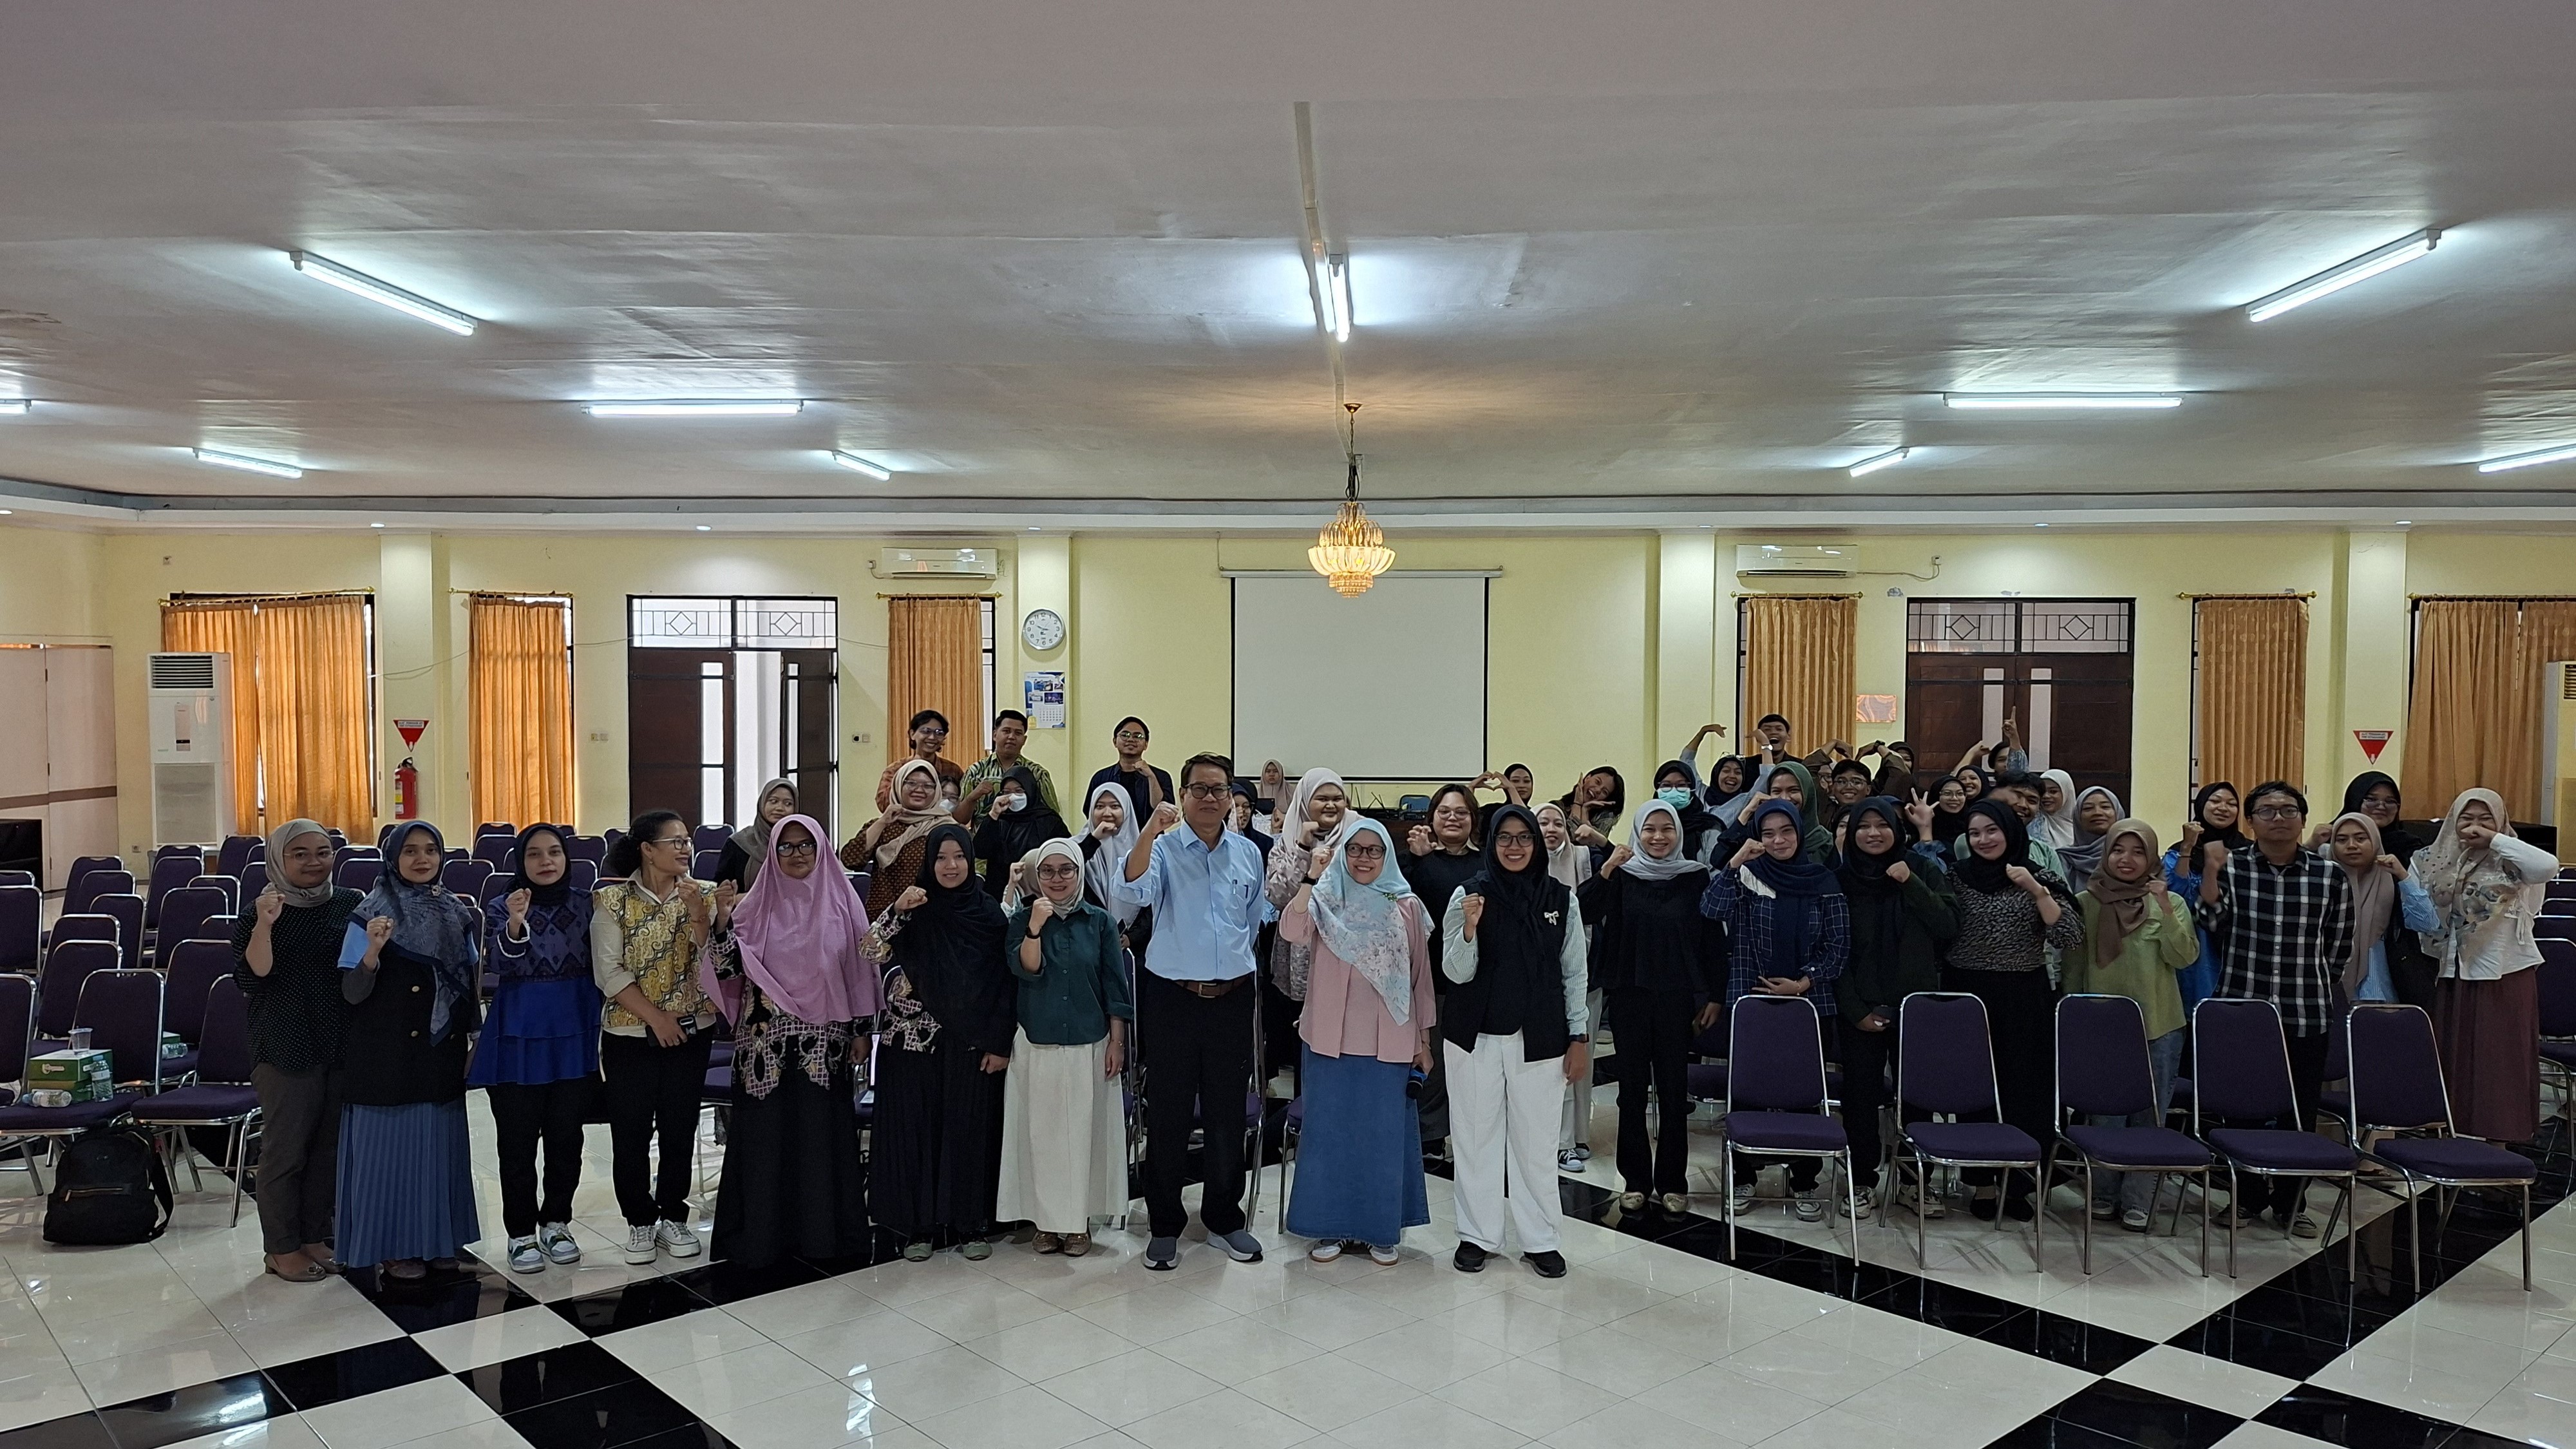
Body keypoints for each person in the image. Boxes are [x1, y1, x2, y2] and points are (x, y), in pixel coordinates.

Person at [701, 815, 880, 1268]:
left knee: (820, 1138)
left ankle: (823, 1238)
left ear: (821, 850)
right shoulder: (753, 906)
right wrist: (721, 923)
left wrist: (862, 1030)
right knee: (766, 1140)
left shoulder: (844, 903)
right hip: (764, 1047)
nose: (797, 854)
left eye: (806, 846)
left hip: (825, 1045)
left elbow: (861, 972)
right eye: (786, 847)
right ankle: (762, 1240)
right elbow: (726, 970)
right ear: (773, 853)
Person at [1114, 752, 1269, 1271]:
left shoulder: (1248, 853)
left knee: (1227, 1113)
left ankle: (1224, 1218)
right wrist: (1148, 831)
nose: (1208, 798)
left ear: (1231, 798)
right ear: (1182, 796)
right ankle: (1164, 1225)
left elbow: (1252, 921)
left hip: (1232, 999)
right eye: (1198, 789)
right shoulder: (1162, 848)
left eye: (1218, 789)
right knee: (1170, 1114)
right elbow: (1130, 892)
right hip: (1173, 999)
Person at [2192, 782, 2353, 1235]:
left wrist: (2312, 981)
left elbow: (2339, 946)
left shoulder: (2330, 876)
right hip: (2243, 1009)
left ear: (2303, 818)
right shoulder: (2233, 866)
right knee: (2240, 1110)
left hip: (2306, 1010)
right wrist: (2211, 870)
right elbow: (2210, 921)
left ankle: (2290, 1203)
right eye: (2266, 811)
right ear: (2251, 821)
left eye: (2288, 810)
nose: (2278, 818)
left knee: (2298, 1113)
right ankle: (2246, 1198)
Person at [1441, 804, 1589, 1276]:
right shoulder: (1468, 894)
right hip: (1474, 1038)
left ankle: (1540, 1239)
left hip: (1541, 1037)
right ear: (1491, 843)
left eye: (1524, 837)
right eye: (1504, 837)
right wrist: (1470, 928)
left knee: (1536, 1143)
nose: (1514, 847)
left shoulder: (1561, 899)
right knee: (1474, 1138)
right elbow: (1454, 972)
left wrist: (1579, 1035)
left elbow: (1575, 974)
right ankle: (1477, 1236)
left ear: (1537, 843)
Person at [1281, 819, 1437, 1263]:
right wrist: (1312, 877)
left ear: (1387, 855)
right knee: (1329, 1137)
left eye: (1374, 850)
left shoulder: (1405, 905)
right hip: (1329, 1041)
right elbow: (1292, 930)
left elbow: (1420, 978)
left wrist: (1423, 1042)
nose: (1364, 858)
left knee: (1382, 1139)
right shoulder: (1326, 899)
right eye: (1355, 849)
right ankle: (1328, 1227)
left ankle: (1379, 1230)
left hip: (1391, 1041)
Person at [337, 822, 482, 1282]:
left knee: (437, 1149)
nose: (422, 859)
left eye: (431, 850)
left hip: (441, 1050)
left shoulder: (456, 912)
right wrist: (373, 952)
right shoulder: (370, 912)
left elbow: (469, 983)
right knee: (391, 1155)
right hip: (387, 1054)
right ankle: (394, 1248)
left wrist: (474, 1038)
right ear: (393, 858)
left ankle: (438, 1241)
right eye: (411, 851)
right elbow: (352, 992)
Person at [868, 824, 1014, 1259]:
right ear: (928, 863)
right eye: (941, 858)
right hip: (913, 1042)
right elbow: (869, 951)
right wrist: (896, 909)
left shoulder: (989, 914)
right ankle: (919, 1228)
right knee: (918, 1133)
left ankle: (970, 1224)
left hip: (971, 1041)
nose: (951, 866)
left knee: (968, 1132)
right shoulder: (915, 907)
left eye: (959, 857)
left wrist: (1000, 1043)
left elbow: (1005, 984)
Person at [1700, 800, 1849, 1220]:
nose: (1778, 841)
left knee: (1804, 1096)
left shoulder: (1824, 880)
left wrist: (1802, 983)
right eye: (1768, 833)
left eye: (1786, 831)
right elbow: (1710, 909)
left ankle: (1804, 1181)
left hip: (1808, 1004)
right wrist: (1734, 863)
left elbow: (1838, 946)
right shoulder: (1748, 875)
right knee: (1748, 1093)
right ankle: (1745, 1175)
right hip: (1753, 1003)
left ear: (1800, 833)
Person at [1580, 802, 1725, 1213]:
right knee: (1630, 1091)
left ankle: (1673, 1181)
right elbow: (1584, 911)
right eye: (1650, 829)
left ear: (1678, 833)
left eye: (1667, 829)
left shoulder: (1695, 877)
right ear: (1638, 833)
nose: (1659, 837)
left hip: (1679, 998)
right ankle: (1636, 1180)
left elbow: (1712, 940)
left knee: (1675, 1092)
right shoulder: (1622, 874)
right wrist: (1608, 868)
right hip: (1630, 995)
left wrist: (1715, 995)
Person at [594, 811, 721, 1266]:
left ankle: (673, 1215)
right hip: (629, 1032)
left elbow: (718, 961)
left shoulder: (705, 894)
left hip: (693, 1029)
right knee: (631, 1130)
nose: (685, 849)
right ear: (648, 850)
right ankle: (640, 1221)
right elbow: (608, 972)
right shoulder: (612, 900)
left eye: (687, 841)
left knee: (679, 1126)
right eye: (675, 841)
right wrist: (656, 1019)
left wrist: (701, 916)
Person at [234, 819, 358, 1282]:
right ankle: (281, 1248)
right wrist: (265, 925)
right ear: (278, 859)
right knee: (286, 1152)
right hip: (284, 1044)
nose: (313, 862)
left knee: (327, 1149)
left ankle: (314, 1237)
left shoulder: (349, 903)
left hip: (338, 1041)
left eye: (323, 852)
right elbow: (253, 977)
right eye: (300, 854)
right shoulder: (261, 910)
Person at [1944, 799, 2081, 1221]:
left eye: (1992, 830)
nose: (1983, 840)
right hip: (1967, 995)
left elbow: (2069, 936)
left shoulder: (2039, 876)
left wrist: (2036, 891)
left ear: (2011, 832)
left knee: (2026, 1091)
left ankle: (2021, 1183)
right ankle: (1983, 1182)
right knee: (1975, 1090)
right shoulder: (1955, 877)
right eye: (1975, 833)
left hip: (2025, 995)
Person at [472, 824, 600, 1274]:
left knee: (567, 1138)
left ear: (567, 858)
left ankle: (557, 1222)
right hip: (518, 1035)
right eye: (535, 854)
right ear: (520, 862)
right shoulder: (502, 904)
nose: (546, 861)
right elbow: (499, 964)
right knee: (517, 1142)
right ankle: (521, 1232)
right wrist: (515, 922)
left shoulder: (588, 904)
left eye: (554, 853)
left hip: (574, 1030)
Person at [996, 838, 1133, 1255]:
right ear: (1037, 876)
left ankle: (1078, 1225)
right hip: (1038, 1044)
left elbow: (1115, 986)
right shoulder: (1022, 919)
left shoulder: (1099, 922)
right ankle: (1046, 1223)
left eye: (1066, 870)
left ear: (1078, 873)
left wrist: (1117, 1041)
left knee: (1084, 1138)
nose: (1057, 879)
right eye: (1048, 871)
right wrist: (1035, 927)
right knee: (1041, 1138)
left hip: (1090, 1044)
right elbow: (1027, 969)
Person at [2067, 819, 2196, 1231]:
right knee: (2105, 1116)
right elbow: (2073, 969)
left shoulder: (2170, 902)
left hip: (2159, 1025)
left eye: (2138, 851)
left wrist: (2164, 907)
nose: (2127, 859)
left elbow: (2184, 958)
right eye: (2118, 850)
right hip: (2103, 1028)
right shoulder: (2085, 902)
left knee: (2149, 1117)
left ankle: (2139, 1200)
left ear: (2152, 857)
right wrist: (2074, 1023)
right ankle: (2104, 1193)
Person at [1833, 796, 1958, 1221]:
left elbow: (1948, 926)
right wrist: (1855, 1011)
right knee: (1860, 1099)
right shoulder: (1840, 879)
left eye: (1882, 825)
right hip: (1861, 1009)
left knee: (1917, 1100)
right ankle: (1861, 1182)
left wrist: (1910, 883)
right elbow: (1833, 950)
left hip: (1916, 1009)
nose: (1873, 833)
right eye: (1863, 826)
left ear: (1897, 828)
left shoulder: (1922, 868)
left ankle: (1913, 1182)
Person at [2416, 788, 2558, 1144]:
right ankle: (2454, 1139)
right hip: (2453, 971)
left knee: (2499, 1062)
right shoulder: (2435, 858)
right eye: (2466, 818)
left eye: (2485, 819)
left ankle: (2500, 1141)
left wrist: (2496, 840)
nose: (2474, 827)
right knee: (2454, 1059)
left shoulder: (2514, 858)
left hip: (2503, 971)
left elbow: (2547, 867)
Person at [1537, 803, 1602, 1170]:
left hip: (1581, 976)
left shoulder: (1581, 860)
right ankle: (1548, 1140)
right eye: (1542, 822)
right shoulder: (1515, 869)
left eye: (1558, 823)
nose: (1551, 829)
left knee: (1576, 1061)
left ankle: (1572, 1138)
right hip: (1537, 986)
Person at [2344, 772, 2438, 1005]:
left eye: (2390, 801)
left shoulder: (2410, 849)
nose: (2381, 806)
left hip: (2393, 957)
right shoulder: (2334, 850)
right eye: (2371, 799)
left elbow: (2428, 923)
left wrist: (2402, 875)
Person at [2322, 812, 2434, 1006]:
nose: (2351, 845)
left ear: (2375, 841)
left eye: (2360, 838)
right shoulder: (2323, 883)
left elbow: (2428, 924)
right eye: (2342, 840)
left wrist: (2403, 876)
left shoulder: (2392, 882)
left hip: (2379, 987)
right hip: (2329, 987)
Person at [1265, 768, 1354, 1001]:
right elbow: (1279, 897)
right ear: (1305, 801)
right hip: (1301, 951)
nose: (1331, 805)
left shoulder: (1359, 834)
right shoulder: (1287, 841)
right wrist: (1303, 849)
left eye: (1337, 799)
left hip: (1346, 950)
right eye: (1322, 799)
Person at [2163, 782, 2247, 1010]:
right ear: (2201, 805)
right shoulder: (2179, 850)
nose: (2223, 808)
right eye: (2216, 801)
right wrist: (2188, 847)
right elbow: (2175, 893)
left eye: (2232, 804)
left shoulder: (2248, 851)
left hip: (2236, 940)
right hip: (2195, 939)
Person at [842, 759, 953, 916]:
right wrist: (882, 822)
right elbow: (851, 860)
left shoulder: (945, 827)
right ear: (898, 785)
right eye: (911, 783)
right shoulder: (883, 824)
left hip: (930, 914)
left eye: (928, 786)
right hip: (884, 914)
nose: (919, 790)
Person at [972, 764, 1071, 900]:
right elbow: (980, 851)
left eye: (1018, 791)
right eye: (1007, 792)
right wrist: (993, 815)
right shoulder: (999, 820)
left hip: (1038, 894)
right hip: (999, 895)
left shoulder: (1049, 821)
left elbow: (1066, 854)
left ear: (1030, 790)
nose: (1012, 797)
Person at [1078, 781, 1152, 957]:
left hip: (1135, 951)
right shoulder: (1076, 847)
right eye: (1099, 806)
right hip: (1087, 943)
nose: (1107, 813)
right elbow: (1070, 870)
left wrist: (1132, 937)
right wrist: (1093, 840)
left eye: (1115, 806)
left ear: (1126, 811)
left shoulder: (1143, 850)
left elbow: (1153, 902)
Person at [961, 708, 1062, 824]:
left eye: (1018, 733)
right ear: (995, 735)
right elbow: (960, 819)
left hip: (1026, 834)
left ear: (1024, 740)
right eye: (1006, 731)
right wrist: (973, 797)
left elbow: (1053, 818)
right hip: (983, 834)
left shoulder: (1037, 774)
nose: (1012, 737)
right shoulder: (976, 772)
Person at [713, 779, 799, 889]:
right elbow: (722, 888)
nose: (780, 808)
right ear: (762, 804)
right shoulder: (738, 843)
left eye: (788, 804)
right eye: (773, 801)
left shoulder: (800, 844)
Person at [1088, 716, 1175, 824]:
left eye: (1138, 736)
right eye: (1125, 735)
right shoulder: (1101, 777)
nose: (1131, 740)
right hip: (1111, 833)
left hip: (1151, 834)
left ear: (1146, 744)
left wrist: (1151, 777)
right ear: (1115, 741)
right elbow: (1090, 812)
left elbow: (1165, 814)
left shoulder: (1161, 776)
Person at [874, 709, 965, 811]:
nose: (932, 737)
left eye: (939, 733)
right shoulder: (896, 769)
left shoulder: (953, 770)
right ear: (912, 734)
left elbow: (964, 804)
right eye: (926, 731)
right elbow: (883, 804)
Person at [1649, 760, 1723, 864]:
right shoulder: (1646, 823)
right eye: (1666, 785)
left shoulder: (1708, 827)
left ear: (1692, 789)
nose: (1674, 791)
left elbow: (1715, 869)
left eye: (1681, 785)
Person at [2058, 786, 2125, 893]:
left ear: (2118, 813)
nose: (2097, 812)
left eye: (2105, 807)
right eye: (2088, 808)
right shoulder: (2063, 858)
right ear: (2078, 816)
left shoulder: (2129, 856)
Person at [1560, 767, 1625, 843]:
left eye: (1605, 792)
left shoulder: (1602, 821)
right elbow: (1568, 841)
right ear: (1587, 778)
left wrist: (1585, 811)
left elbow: (1584, 844)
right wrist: (1577, 803)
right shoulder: (1557, 808)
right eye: (1597, 782)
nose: (1598, 790)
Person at [2032, 770, 2081, 849]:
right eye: (2042, 792)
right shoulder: (2034, 824)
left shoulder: (2082, 828)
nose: (2046, 796)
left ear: (2066, 793)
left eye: (2053, 791)